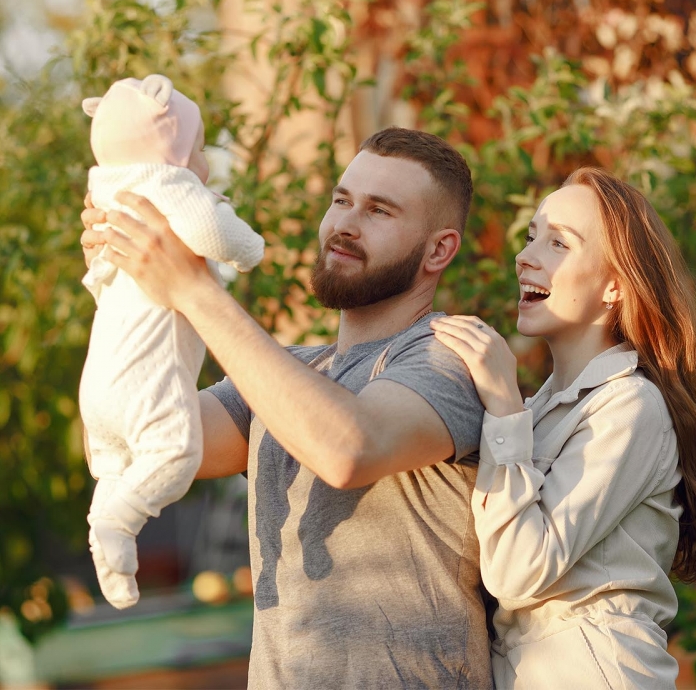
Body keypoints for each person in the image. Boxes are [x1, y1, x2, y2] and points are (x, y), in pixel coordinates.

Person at [80, 127, 493, 688]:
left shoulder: (455, 357)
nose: (345, 224)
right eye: (341, 200)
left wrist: (196, 289)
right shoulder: (289, 373)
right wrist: (128, 290)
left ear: (439, 249)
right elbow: (131, 440)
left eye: (379, 210)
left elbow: (347, 449)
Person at [431, 166, 696, 689]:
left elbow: (518, 571)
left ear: (615, 286)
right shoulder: (543, 409)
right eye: (530, 236)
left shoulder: (632, 406)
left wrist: (501, 402)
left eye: (559, 243)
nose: (525, 256)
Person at [79, 74, 265, 610]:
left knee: (116, 466)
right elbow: (212, 232)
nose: (204, 163)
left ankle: (107, 531)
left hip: (101, 385)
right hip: (145, 383)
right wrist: (248, 246)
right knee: (173, 453)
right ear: (172, 153)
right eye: (200, 148)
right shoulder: (168, 187)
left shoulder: (110, 191)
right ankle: (117, 522)